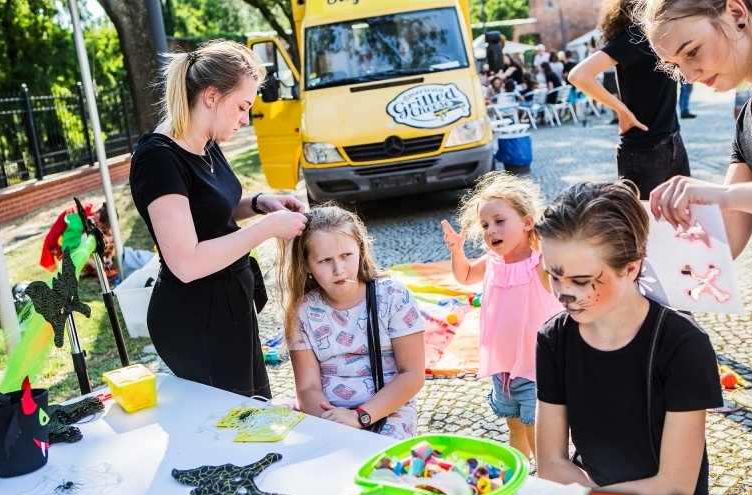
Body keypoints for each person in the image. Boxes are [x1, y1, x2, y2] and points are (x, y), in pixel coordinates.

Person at [535, 181, 723, 495]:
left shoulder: (682, 345)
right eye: (553, 276)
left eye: (580, 281)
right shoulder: (553, 339)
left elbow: (673, 493)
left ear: (632, 268)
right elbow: (550, 465)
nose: (564, 295)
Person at [129, 40, 307, 397]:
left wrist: (259, 203)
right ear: (211, 96)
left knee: (254, 412)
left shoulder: (206, 140)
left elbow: (208, 208)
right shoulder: (158, 160)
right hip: (195, 319)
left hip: (230, 305)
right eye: (241, 107)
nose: (245, 118)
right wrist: (267, 229)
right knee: (230, 427)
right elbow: (187, 261)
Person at [440, 172, 562, 460]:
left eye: (499, 221)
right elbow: (465, 274)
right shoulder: (491, 263)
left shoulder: (539, 263)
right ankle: (519, 475)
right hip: (505, 369)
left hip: (537, 370)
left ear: (527, 222)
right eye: (485, 225)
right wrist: (457, 251)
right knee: (515, 428)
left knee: (537, 433)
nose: (490, 229)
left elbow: (562, 271)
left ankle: (548, 480)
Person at [281, 204, 425, 439]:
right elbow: (308, 389)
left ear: (360, 249)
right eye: (325, 260)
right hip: (326, 413)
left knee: (381, 463)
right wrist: (332, 421)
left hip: (387, 410)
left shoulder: (394, 298)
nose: (339, 269)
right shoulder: (303, 311)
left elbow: (412, 375)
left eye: (346, 256)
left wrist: (360, 417)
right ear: (306, 264)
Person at [637, 0, 752, 259]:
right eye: (675, 65)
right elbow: (725, 240)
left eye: (691, 52)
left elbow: (729, 199)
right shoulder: (746, 121)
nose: (688, 76)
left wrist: (723, 195)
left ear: (736, 13)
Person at [569, 0, 690, 200]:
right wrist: (622, 110)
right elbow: (578, 75)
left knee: (683, 218)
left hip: (674, 141)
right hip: (644, 151)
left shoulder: (657, 34)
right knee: (641, 228)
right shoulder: (635, 37)